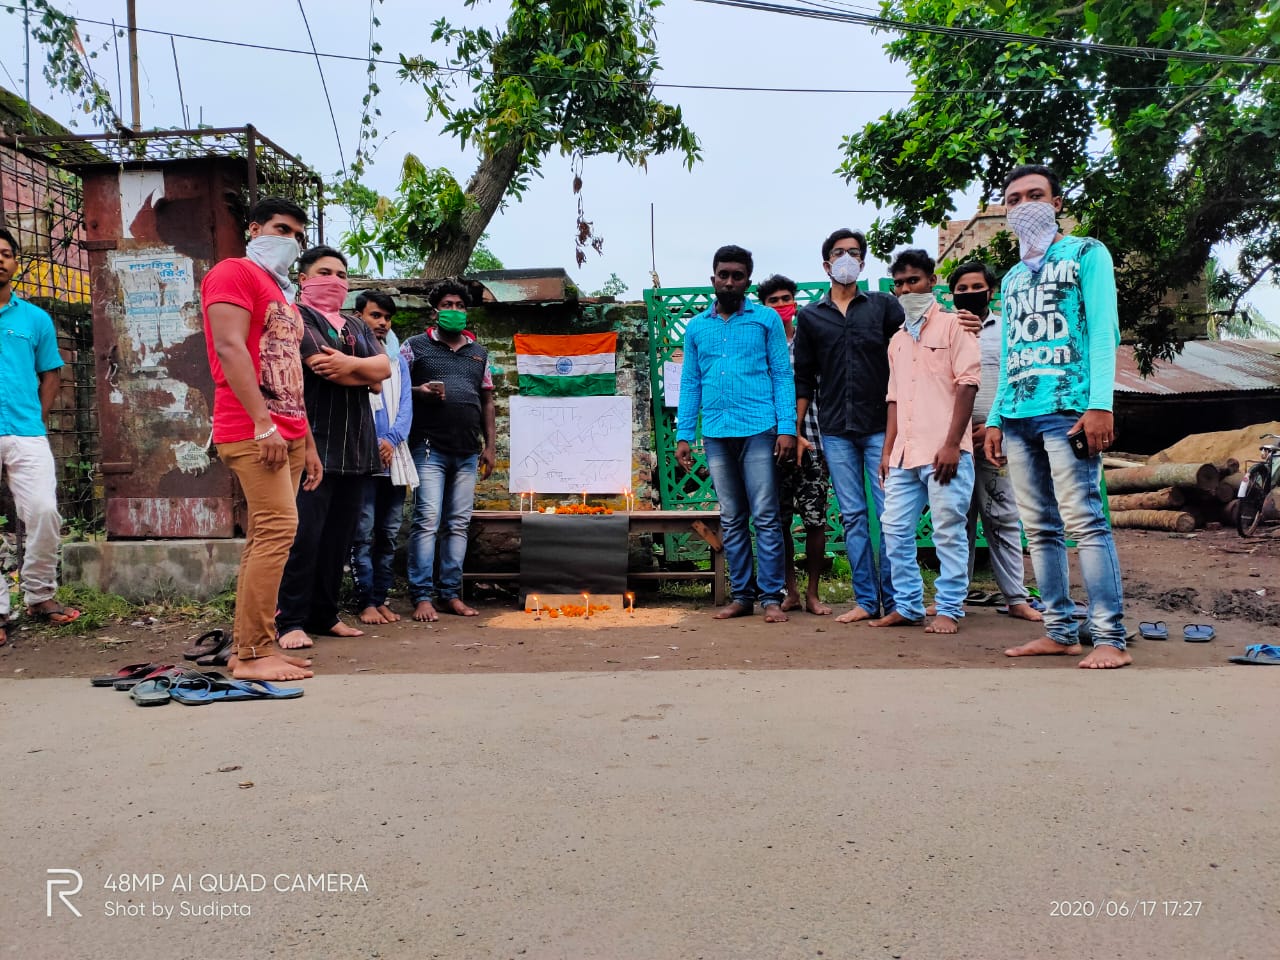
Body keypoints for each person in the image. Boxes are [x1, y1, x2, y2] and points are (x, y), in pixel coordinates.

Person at [984, 164, 1131, 668]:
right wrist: (997, 416)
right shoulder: (1009, 277)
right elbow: (1011, 352)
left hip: (1068, 410)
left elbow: (1103, 333)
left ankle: (1111, 637)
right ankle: (1059, 629)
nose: (1024, 205)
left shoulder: (1087, 253)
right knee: (1039, 528)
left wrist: (1100, 404)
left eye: (1035, 195)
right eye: (1014, 199)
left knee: (1085, 523)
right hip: (1020, 412)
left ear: (1058, 202)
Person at [201, 197, 318, 681]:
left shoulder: (282, 291)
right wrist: (262, 424)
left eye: (296, 234)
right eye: (280, 228)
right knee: (276, 533)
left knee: (265, 538)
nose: (289, 240)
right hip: (254, 430)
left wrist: (306, 441)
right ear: (254, 229)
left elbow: (290, 369)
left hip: (288, 430)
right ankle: (252, 655)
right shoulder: (233, 272)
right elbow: (229, 347)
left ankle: (251, 645)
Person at [275, 246, 390, 650]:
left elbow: (385, 371)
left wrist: (352, 368)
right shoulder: (296, 316)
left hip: (357, 446)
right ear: (304, 278)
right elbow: (317, 365)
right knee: (304, 537)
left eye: (342, 274)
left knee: (339, 541)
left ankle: (324, 615)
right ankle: (289, 621)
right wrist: (363, 372)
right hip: (314, 444)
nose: (336, 281)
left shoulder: (356, 325)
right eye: (326, 272)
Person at [675, 245, 796, 623]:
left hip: (760, 428)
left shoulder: (766, 320)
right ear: (712, 278)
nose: (729, 281)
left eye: (737, 275)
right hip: (715, 432)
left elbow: (782, 374)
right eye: (723, 274)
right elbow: (690, 382)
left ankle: (771, 598)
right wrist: (683, 434)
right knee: (731, 516)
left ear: (747, 281)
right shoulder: (696, 327)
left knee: (765, 514)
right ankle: (742, 596)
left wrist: (787, 428)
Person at [793, 229, 904, 622]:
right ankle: (865, 601)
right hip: (836, 430)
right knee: (854, 515)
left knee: (890, 512)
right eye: (838, 253)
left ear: (863, 262)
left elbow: (910, 354)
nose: (846, 258)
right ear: (826, 264)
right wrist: (797, 429)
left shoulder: (884, 307)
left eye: (853, 253)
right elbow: (803, 376)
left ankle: (895, 601)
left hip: (881, 428)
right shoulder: (810, 316)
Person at [871, 249, 979, 635]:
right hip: (904, 454)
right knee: (894, 528)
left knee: (948, 530)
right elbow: (894, 398)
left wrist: (952, 444)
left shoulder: (955, 327)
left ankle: (949, 608)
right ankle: (909, 605)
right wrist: (888, 450)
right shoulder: (898, 340)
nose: (905, 289)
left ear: (931, 282)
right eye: (899, 283)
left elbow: (967, 383)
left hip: (944, 451)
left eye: (913, 280)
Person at [0, 226, 81, 644]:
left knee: (46, 512)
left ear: (14, 263)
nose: (0, 259)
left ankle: (39, 595)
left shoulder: (35, 318)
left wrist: (39, 415)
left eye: (5, 253)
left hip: (25, 431)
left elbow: (51, 373)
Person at [948, 261, 1042, 623]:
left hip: (995, 437)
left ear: (991, 291)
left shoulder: (1008, 331)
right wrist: (952, 434)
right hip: (953, 442)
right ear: (952, 293)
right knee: (955, 521)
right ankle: (951, 599)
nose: (969, 294)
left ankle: (1017, 598)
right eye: (962, 288)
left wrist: (992, 423)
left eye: (977, 287)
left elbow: (1019, 379)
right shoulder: (943, 330)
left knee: (1002, 517)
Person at [400, 280, 497, 623]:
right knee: (427, 521)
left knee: (458, 523)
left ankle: (450, 594)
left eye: (460, 305)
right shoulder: (414, 347)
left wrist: (490, 446)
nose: (454, 310)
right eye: (448, 304)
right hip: (428, 447)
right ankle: (422, 596)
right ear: (435, 310)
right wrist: (419, 390)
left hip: (468, 451)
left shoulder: (479, 353)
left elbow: (487, 399)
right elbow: (393, 388)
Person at [756, 274, 832, 615]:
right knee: (779, 520)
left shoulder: (809, 341)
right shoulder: (759, 346)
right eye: (773, 301)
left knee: (815, 520)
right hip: (774, 446)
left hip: (814, 440)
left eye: (786, 299)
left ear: (795, 303)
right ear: (764, 306)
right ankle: (791, 590)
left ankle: (813, 592)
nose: (781, 306)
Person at [350, 290, 417, 625]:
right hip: (362, 456)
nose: (382, 323)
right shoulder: (349, 354)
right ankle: (365, 603)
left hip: (395, 458)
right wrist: (374, 440)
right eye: (375, 315)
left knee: (388, 534)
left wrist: (391, 439)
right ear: (359, 315)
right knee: (362, 533)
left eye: (387, 318)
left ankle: (380, 598)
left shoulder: (398, 360)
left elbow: (405, 406)